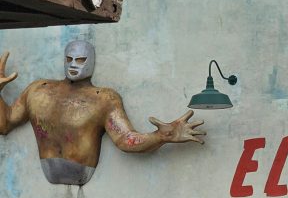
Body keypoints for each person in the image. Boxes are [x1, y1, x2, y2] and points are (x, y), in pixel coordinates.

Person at [0, 41, 205, 185]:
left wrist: (162, 136)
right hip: (48, 171)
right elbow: (5, 123)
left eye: (80, 60)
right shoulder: (38, 90)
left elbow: (125, 139)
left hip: (82, 171)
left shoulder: (103, 98)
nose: (73, 64)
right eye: (69, 58)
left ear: (91, 61)